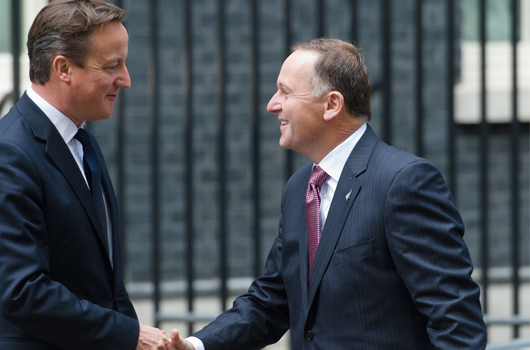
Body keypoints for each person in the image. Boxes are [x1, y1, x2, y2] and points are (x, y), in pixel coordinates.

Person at [168, 38, 487, 349]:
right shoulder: (299, 188)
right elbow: (270, 301)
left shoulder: (403, 181)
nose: (272, 104)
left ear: (332, 104)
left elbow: (456, 321)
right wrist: (196, 345)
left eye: (286, 92)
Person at [0, 1, 169, 349]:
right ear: (63, 68)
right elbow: (22, 292)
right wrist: (130, 335)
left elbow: (102, 282)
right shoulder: (6, 155)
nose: (127, 79)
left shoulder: (81, 140)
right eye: (112, 65)